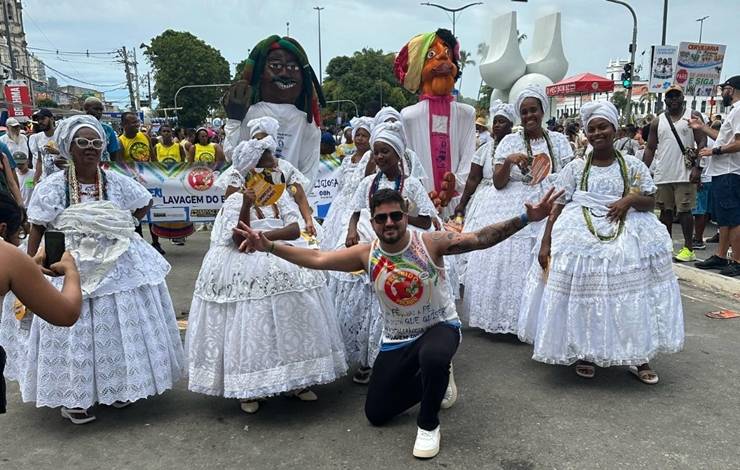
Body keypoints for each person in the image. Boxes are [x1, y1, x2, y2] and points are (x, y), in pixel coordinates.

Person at [234, 186, 562, 459]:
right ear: (372, 222)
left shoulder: (430, 243)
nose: (389, 222)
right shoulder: (367, 254)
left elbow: (480, 238)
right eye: (381, 218)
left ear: (405, 216)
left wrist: (525, 218)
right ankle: (436, 381)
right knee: (377, 413)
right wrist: (270, 246)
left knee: (434, 356)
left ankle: (429, 423)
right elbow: (318, 259)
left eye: (395, 215)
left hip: (439, 327)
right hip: (397, 339)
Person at [0, 115, 185, 424]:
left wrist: (121, 221)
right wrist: (28, 268)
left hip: (117, 260)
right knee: (75, 330)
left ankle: (118, 388)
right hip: (67, 259)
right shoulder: (52, 186)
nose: (90, 148)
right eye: (82, 143)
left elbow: (143, 203)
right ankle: (75, 397)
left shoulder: (116, 181)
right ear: (68, 147)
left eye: (96, 143)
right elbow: (39, 227)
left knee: (118, 324)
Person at [518, 101, 684, 383]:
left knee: (633, 291)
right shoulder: (576, 168)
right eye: (591, 129)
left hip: (627, 228)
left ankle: (638, 355)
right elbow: (557, 205)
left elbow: (649, 201)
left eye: (603, 127)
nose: (597, 133)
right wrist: (546, 242)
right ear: (586, 133)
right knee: (586, 289)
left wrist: (629, 200)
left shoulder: (631, 166)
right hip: (581, 230)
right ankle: (586, 352)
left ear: (614, 129)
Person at [185, 133, 347, 415]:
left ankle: (298, 378)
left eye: (274, 166)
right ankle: (249, 386)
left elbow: (295, 228)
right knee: (252, 320)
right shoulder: (235, 201)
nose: (275, 170)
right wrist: (247, 206)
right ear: (252, 170)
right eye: (269, 166)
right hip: (244, 260)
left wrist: (263, 238)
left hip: (278, 250)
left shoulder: (280, 197)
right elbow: (238, 240)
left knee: (295, 311)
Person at [461, 85, 572, 336]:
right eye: (524, 112)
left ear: (543, 111)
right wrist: (510, 160)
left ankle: (534, 323)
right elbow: (499, 183)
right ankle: (505, 320)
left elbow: (567, 177)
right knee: (505, 257)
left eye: (534, 110)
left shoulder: (559, 141)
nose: (529, 116)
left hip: (548, 200)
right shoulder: (510, 141)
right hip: (511, 203)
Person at [0, 192, 83, 414]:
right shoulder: (7, 255)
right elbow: (66, 313)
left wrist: (27, 266)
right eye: (18, 233)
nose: (18, 241)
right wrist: (71, 272)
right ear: (2, 229)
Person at [222, 35, 324, 185]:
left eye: (292, 67)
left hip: (291, 203)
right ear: (260, 73)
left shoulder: (307, 123)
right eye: (275, 66)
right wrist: (234, 120)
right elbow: (233, 156)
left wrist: (290, 201)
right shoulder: (247, 114)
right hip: (250, 201)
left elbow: (308, 171)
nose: (284, 74)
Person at [395, 29, 476, 214]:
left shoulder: (467, 114)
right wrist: (422, 195)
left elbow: (469, 158)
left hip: (458, 204)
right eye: (432, 55)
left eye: (447, 53)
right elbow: (406, 162)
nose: (442, 58)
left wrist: (456, 183)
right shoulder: (409, 116)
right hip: (422, 204)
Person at [452, 100, 515, 282]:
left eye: (502, 122)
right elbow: (473, 179)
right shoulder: (484, 150)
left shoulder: (518, 148)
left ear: (511, 125)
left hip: (509, 202)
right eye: (495, 121)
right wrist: (461, 205)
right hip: (484, 201)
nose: (497, 126)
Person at [643, 85, 706, 262]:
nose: (673, 100)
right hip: (663, 173)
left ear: (682, 98)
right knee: (665, 211)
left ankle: (688, 248)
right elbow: (650, 147)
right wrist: (642, 170)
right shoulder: (658, 121)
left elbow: (702, 141)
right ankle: (666, 245)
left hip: (684, 173)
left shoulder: (692, 116)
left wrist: (697, 168)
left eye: (676, 96)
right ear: (665, 100)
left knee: (685, 211)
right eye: (669, 97)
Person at [690, 75, 740, 277]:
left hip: (729, 171)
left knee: (734, 218)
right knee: (725, 219)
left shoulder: (739, 111)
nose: (722, 92)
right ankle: (720, 255)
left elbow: (738, 143)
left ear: (733, 89)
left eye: (724, 88)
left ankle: (737, 259)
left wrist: (715, 151)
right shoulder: (734, 111)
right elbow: (722, 138)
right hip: (722, 172)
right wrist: (702, 127)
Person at [320, 116, 373, 251]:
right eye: (358, 135)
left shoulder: (371, 160)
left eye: (364, 136)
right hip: (339, 205)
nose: (360, 139)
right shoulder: (346, 160)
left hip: (358, 206)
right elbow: (340, 185)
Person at [118, 112, 164, 253]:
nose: (137, 125)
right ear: (124, 125)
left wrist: (158, 173)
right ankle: (139, 243)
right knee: (136, 214)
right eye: (132, 122)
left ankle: (156, 243)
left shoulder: (144, 136)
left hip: (149, 180)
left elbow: (153, 156)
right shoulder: (121, 141)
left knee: (152, 212)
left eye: (137, 122)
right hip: (132, 183)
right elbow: (121, 165)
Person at [152, 123, 194, 246]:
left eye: (168, 131)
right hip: (162, 183)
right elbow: (154, 165)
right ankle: (159, 238)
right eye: (164, 131)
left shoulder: (178, 147)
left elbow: (182, 164)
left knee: (178, 208)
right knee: (162, 209)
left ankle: (180, 236)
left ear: (172, 133)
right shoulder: (157, 147)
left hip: (176, 183)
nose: (166, 133)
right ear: (160, 133)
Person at [83, 97, 121, 162]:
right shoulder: (77, 128)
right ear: (86, 109)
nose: (99, 112)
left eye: (101, 110)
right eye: (96, 109)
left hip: (103, 168)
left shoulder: (107, 130)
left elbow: (114, 154)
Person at [30, 108, 61, 184]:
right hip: (46, 180)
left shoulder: (61, 136)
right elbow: (39, 161)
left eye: (43, 119)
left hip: (61, 178)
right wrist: (34, 181)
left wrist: (57, 152)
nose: (40, 122)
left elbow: (70, 158)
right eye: (38, 119)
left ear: (52, 119)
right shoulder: (37, 138)